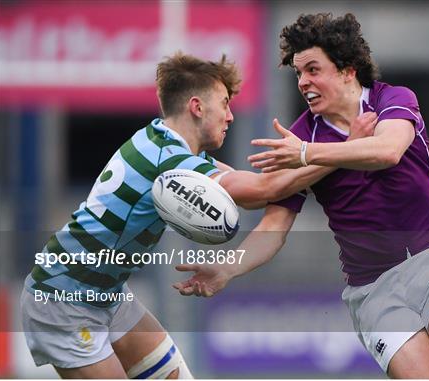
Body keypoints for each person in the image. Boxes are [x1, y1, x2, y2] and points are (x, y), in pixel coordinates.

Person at [174, 14, 429, 378]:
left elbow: (387, 151)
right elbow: (274, 227)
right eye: (298, 73)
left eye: (313, 69)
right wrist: (228, 268)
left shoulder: (390, 100)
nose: (303, 82)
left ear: (347, 69)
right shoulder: (301, 135)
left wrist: (306, 155)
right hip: (374, 293)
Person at [20, 52, 335, 379]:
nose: (230, 116)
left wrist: (313, 161)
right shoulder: (169, 161)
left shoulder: (165, 145)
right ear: (197, 107)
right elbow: (263, 190)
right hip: (62, 298)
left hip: (107, 297)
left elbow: (253, 190)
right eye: (224, 104)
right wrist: (339, 152)